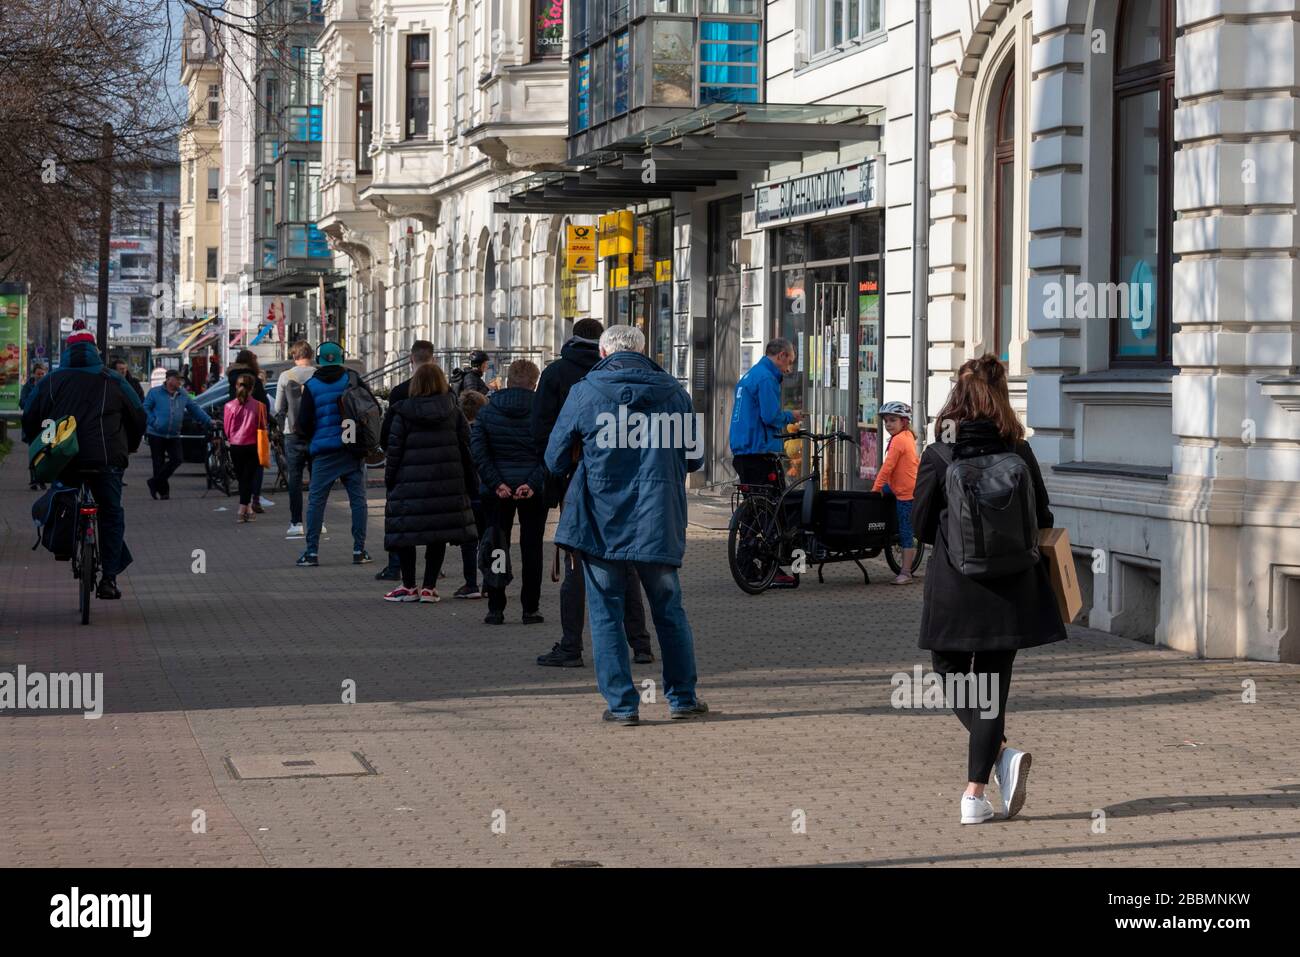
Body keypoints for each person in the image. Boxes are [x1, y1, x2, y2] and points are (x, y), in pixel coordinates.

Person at [912, 354, 1068, 825]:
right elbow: (1044, 519)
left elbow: (919, 526)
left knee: (951, 671)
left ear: (955, 400)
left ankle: (984, 779)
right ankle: (983, 783)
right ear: (1000, 397)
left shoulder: (939, 454)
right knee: (991, 690)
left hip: (955, 589)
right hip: (1012, 591)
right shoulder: (1018, 451)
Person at [545, 325, 706, 725]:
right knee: (669, 610)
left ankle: (622, 705)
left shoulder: (585, 392)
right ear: (643, 350)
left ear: (603, 353)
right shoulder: (675, 393)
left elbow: (554, 459)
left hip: (601, 520)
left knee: (605, 612)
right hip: (659, 517)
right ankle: (683, 698)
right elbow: (695, 459)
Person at [530, 317, 655, 667]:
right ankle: (641, 644)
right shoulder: (648, 381)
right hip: (633, 483)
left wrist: (553, 480)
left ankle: (571, 646)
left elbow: (544, 435)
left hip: (580, 482)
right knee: (625, 562)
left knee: (576, 564)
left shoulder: (561, 376)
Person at [21, 330, 145, 600]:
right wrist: (131, 445)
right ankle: (109, 580)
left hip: (64, 458)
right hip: (107, 458)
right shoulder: (112, 380)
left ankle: (66, 544)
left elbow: (30, 414)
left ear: (67, 351)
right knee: (110, 514)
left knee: (64, 497)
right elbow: (138, 414)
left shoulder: (51, 381)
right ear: (95, 352)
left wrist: (34, 442)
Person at [382, 362, 477, 602]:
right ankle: (429, 587)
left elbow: (393, 450)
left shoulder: (402, 412)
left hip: (408, 483)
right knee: (438, 534)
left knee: (406, 533)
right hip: (447, 483)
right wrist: (469, 481)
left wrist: (390, 480)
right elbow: (467, 447)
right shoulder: (453, 411)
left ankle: (409, 585)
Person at [470, 359, 546, 625]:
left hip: (497, 491)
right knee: (532, 548)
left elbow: (478, 450)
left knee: (497, 544)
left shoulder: (488, 411)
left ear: (509, 381)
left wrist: (496, 483)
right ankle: (530, 608)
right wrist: (533, 483)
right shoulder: (542, 411)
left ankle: (496, 606)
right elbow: (550, 453)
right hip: (532, 491)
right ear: (535, 384)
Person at [293, 341, 374, 567]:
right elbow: (370, 407)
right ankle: (359, 550)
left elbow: (304, 423)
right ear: (341, 357)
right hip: (352, 450)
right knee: (358, 501)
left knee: (316, 502)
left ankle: (312, 553)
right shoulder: (352, 379)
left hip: (324, 452)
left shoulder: (311, 386)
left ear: (319, 360)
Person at [729, 338, 801, 586]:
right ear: (781, 355)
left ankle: (745, 564)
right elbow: (770, 416)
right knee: (771, 511)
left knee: (754, 510)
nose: (789, 369)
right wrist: (791, 416)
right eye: (789, 362)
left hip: (744, 450)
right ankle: (766, 567)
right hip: (759, 450)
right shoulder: (767, 378)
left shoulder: (751, 375)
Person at [376, 339, 436, 581]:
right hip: (437, 467)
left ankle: (396, 568)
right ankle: (433, 573)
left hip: (405, 468)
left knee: (400, 520)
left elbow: (388, 436)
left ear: (411, 359)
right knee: (435, 520)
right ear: (432, 360)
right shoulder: (445, 393)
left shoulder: (400, 393)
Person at [142, 368, 212, 500]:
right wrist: (153, 422)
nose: (180, 382)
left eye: (180, 380)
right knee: (158, 463)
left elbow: (195, 409)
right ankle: (164, 492)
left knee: (177, 459)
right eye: (177, 379)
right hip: (156, 433)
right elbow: (145, 408)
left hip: (173, 434)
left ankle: (154, 482)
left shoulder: (182, 394)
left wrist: (208, 421)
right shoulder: (155, 392)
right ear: (168, 380)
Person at [872, 400, 920, 585]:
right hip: (898, 487)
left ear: (904, 422)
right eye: (886, 421)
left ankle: (906, 572)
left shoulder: (899, 440)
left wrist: (876, 489)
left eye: (892, 420)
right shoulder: (906, 436)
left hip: (906, 493)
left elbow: (887, 468)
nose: (888, 424)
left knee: (906, 532)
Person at [275, 340, 317, 538]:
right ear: (311, 355)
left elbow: (278, 409)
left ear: (294, 356)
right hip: (317, 433)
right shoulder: (319, 375)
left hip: (292, 432)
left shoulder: (286, 376)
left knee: (295, 478)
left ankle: (296, 522)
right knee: (318, 478)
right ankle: (319, 521)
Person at [227, 349, 273, 513]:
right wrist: (267, 422)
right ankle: (255, 498)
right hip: (255, 428)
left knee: (241, 467)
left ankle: (244, 501)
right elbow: (263, 404)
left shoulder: (232, 379)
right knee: (257, 464)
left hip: (237, 430)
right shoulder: (254, 380)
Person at [455, 390, 488, 599]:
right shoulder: (488, 432)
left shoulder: (459, 435)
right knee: (489, 537)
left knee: (469, 541)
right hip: (487, 492)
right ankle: (489, 581)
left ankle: (470, 583)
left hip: (467, 494)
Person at [223, 373, 264, 523]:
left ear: (236, 386)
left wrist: (231, 438)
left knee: (242, 478)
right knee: (248, 478)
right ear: (252, 388)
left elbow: (227, 429)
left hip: (236, 446)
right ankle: (244, 508)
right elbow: (262, 427)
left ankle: (245, 509)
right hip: (253, 445)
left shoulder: (229, 406)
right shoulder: (259, 406)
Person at [20, 362, 48, 491]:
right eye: (38, 374)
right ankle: (33, 480)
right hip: (31, 424)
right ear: (34, 374)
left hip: (45, 424)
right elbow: (22, 402)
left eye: (43, 374)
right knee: (33, 452)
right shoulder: (28, 387)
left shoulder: (49, 385)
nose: (41, 376)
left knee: (44, 452)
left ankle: (41, 479)